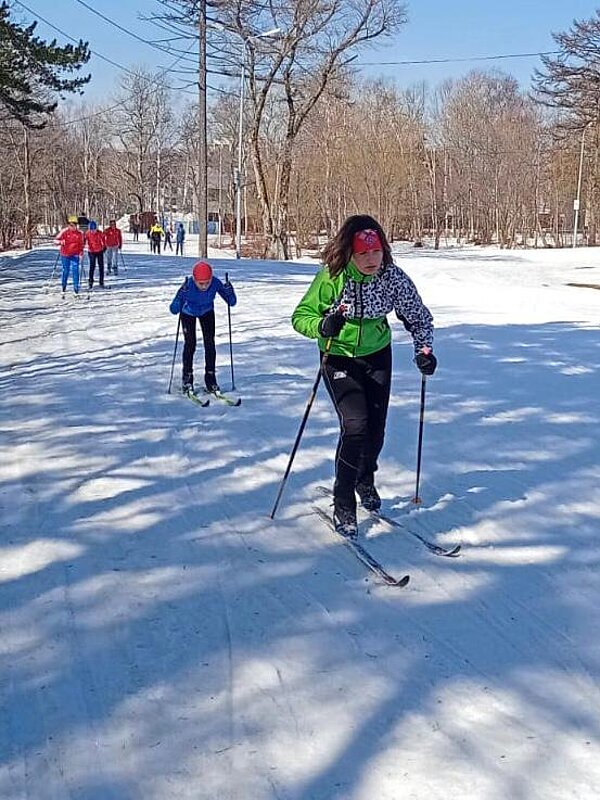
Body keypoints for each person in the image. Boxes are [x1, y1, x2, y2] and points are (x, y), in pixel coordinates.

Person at [291, 214, 437, 538]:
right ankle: (343, 500)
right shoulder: (333, 277)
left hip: (377, 353)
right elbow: (301, 316)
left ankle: (364, 478)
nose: (371, 259)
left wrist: (424, 351)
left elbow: (418, 317)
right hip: (338, 355)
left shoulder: (392, 277)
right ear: (350, 253)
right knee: (355, 424)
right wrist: (322, 325)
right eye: (363, 254)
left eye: (376, 251)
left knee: (376, 429)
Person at [169, 260, 237, 395]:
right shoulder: (188, 286)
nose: (204, 286)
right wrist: (180, 296)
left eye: (207, 282)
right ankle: (187, 378)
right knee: (190, 344)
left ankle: (211, 379)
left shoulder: (215, 283)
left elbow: (231, 302)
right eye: (201, 283)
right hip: (188, 313)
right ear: (194, 280)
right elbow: (174, 309)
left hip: (207, 312)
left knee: (210, 344)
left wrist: (230, 291)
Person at [55, 214, 84, 296]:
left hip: (75, 255)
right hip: (65, 254)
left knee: (75, 271)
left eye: (74, 225)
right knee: (66, 271)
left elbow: (81, 244)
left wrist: (81, 253)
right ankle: (63, 287)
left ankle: (76, 289)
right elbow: (55, 241)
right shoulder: (64, 232)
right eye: (70, 225)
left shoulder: (80, 234)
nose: (72, 227)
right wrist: (60, 242)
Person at [85, 221, 106, 289]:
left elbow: (103, 239)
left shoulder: (100, 233)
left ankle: (101, 282)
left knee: (101, 267)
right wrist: (82, 244)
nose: (93, 231)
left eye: (94, 229)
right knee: (92, 266)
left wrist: (104, 246)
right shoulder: (87, 233)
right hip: (91, 252)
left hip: (99, 251)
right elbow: (84, 240)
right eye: (91, 230)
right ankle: (90, 282)